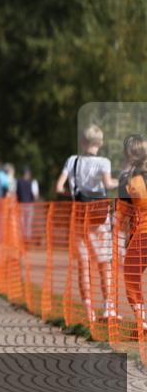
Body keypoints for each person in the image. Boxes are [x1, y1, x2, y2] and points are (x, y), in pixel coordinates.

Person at [55, 124, 118, 322]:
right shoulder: (103, 162)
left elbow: (59, 187)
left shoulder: (72, 161)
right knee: (103, 263)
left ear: (83, 141)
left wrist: (75, 195)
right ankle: (108, 307)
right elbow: (108, 184)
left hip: (78, 216)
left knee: (83, 264)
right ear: (100, 143)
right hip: (99, 218)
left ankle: (89, 310)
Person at [120, 135, 147, 331]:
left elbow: (122, 213)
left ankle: (143, 320)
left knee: (131, 275)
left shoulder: (128, 180)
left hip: (143, 234)